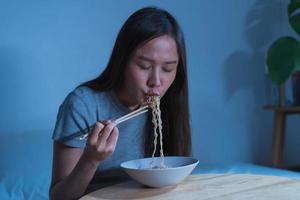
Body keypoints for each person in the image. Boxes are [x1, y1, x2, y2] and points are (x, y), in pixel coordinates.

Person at [49, 6, 191, 200]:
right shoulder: (82, 105)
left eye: (167, 69)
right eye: (144, 66)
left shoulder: (169, 105)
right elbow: (59, 197)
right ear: (122, 60)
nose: (156, 81)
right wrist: (91, 159)